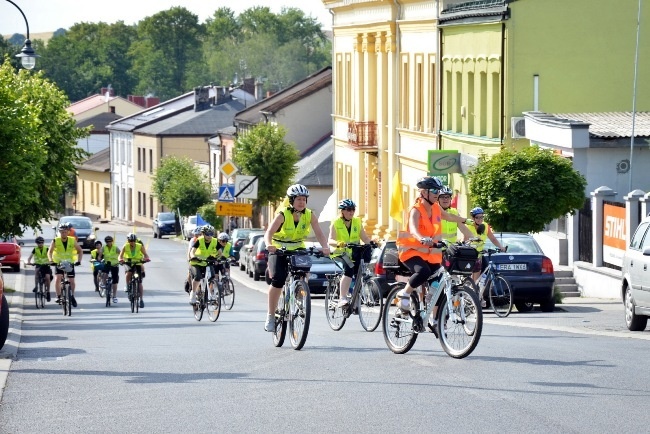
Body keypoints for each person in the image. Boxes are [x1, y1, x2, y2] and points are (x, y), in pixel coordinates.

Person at [395, 177, 470, 329]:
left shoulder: (436, 207)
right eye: (434, 190)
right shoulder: (415, 210)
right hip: (411, 251)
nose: (438, 193)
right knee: (423, 272)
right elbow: (414, 228)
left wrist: (467, 221)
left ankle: (432, 317)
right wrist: (421, 238)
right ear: (423, 192)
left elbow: (449, 216)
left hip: (430, 253)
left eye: (438, 190)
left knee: (439, 283)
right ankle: (404, 293)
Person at [263, 184, 331, 332]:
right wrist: (269, 244)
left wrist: (325, 247)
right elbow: (269, 232)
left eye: (304, 199)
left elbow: (319, 233)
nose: (301, 202)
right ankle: (270, 315)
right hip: (279, 247)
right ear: (291, 200)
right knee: (278, 280)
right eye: (298, 199)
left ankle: (300, 293)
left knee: (304, 270)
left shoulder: (309, 214)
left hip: (297, 246)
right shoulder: (283, 214)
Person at [327, 199, 373, 306]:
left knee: (359, 272)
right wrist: (339, 243)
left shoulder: (357, 221)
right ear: (342, 211)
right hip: (339, 253)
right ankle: (342, 297)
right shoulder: (336, 222)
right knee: (349, 269)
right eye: (348, 210)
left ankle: (355, 298)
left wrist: (372, 243)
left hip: (353, 253)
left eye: (353, 210)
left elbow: (364, 237)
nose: (351, 212)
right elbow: (330, 240)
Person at [47, 222, 83, 307]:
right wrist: (51, 260)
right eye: (62, 232)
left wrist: (79, 260)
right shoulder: (55, 240)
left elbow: (80, 250)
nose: (64, 233)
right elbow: (50, 252)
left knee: (72, 281)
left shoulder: (72, 240)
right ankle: (58, 296)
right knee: (58, 278)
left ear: (68, 232)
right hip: (58, 262)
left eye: (65, 232)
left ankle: (72, 296)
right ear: (59, 232)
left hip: (69, 262)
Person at [466, 207, 504, 284]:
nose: (480, 219)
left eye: (481, 217)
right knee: (472, 280)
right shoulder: (469, 227)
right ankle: (471, 293)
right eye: (477, 217)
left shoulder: (486, 226)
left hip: (479, 255)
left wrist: (501, 247)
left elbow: (493, 239)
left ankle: (476, 292)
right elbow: (465, 241)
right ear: (473, 218)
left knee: (478, 279)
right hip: (470, 255)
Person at [118, 232, 150, 308]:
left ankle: (141, 300)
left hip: (138, 263)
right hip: (129, 263)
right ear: (128, 241)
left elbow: (145, 254)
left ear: (135, 240)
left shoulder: (139, 246)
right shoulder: (125, 246)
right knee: (129, 273)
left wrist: (146, 259)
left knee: (139, 282)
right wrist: (120, 260)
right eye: (130, 240)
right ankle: (127, 285)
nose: (132, 242)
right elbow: (120, 256)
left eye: (133, 240)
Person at [188, 225, 218, 304]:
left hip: (207, 262)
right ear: (203, 233)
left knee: (212, 277)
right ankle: (193, 294)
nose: (209, 236)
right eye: (207, 234)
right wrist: (193, 257)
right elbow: (192, 251)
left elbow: (219, 252)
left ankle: (211, 294)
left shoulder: (215, 241)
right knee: (198, 277)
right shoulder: (199, 240)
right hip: (196, 262)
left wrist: (217, 257)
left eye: (211, 234)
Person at [26, 236, 52, 301]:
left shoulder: (46, 248)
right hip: (38, 265)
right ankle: (36, 286)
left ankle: (48, 292)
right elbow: (30, 257)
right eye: (39, 243)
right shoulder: (35, 249)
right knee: (37, 272)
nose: (40, 244)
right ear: (37, 243)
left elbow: (50, 256)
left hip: (46, 265)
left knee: (48, 277)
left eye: (42, 243)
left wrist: (50, 261)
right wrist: (29, 262)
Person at [100, 235, 121, 304]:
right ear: (105, 242)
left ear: (112, 241)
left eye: (110, 241)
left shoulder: (115, 248)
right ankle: (103, 283)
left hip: (115, 264)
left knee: (115, 281)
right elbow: (100, 255)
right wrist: (99, 259)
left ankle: (114, 296)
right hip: (107, 263)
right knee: (105, 273)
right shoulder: (104, 248)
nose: (109, 243)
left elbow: (121, 254)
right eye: (107, 242)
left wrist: (121, 259)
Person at [184, 226, 203, 293]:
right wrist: (190, 259)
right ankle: (190, 286)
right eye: (196, 235)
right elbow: (190, 251)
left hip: (202, 259)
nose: (196, 236)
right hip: (193, 258)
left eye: (198, 234)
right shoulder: (193, 240)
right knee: (191, 272)